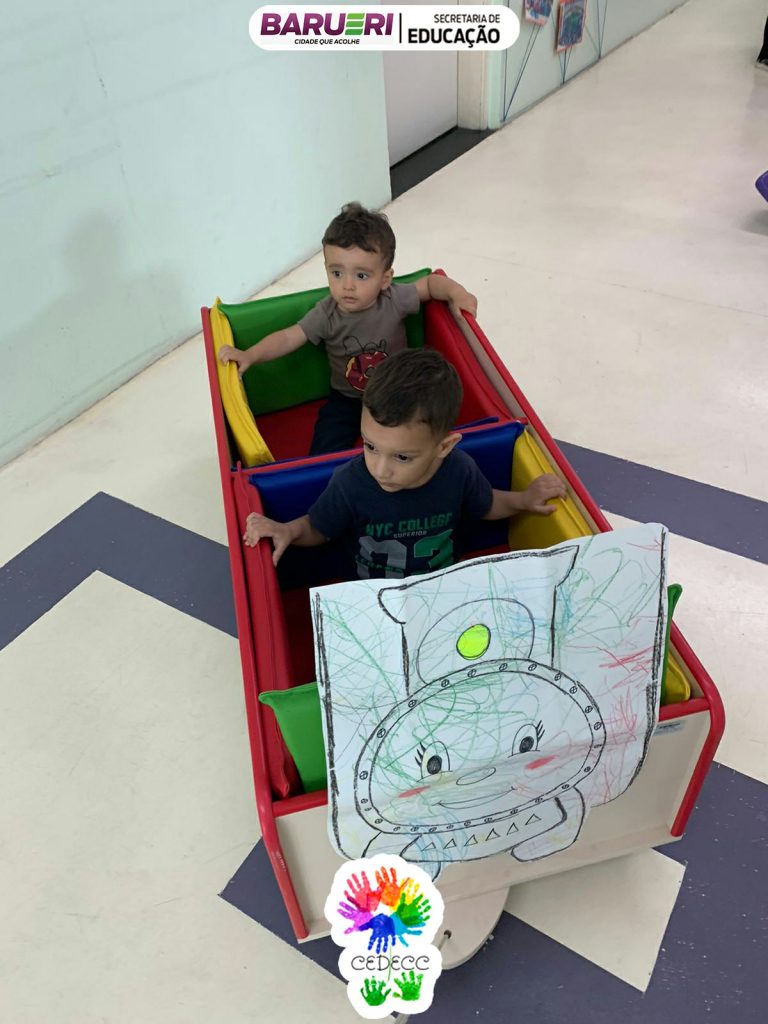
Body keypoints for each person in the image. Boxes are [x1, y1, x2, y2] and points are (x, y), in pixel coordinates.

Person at [243, 349, 566, 580]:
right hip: (375, 596)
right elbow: (319, 526)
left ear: (443, 447)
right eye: (370, 446)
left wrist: (524, 499)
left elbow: (486, 503)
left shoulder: (459, 470)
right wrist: (287, 530)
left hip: (443, 586)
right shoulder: (350, 481)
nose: (380, 469)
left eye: (402, 457)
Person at [218, 202, 477, 455]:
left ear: (385, 279)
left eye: (361, 275)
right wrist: (250, 354)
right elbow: (288, 337)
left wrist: (457, 293)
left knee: (420, 433)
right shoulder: (326, 313)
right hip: (347, 399)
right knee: (325, 446)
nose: (347, 286)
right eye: (337, 273)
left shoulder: (394, 298)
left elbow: (430, 284)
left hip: (398, 391)